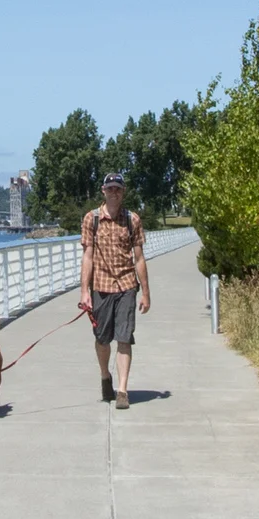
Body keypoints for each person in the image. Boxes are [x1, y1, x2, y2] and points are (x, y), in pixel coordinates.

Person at [80, 173, 150, 409]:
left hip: (127, 286)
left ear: (123, 191)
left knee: (124, 337)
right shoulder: (92, 219)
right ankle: (105, 376)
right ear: (103, 191)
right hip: (100, 286)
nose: (114, 192)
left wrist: (146, 294)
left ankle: (122, 390)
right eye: (110, 189)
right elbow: (87, 256)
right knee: (102, 339)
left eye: (118, 189)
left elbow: (139, 258)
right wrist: (84, 292)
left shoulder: (132, 220)